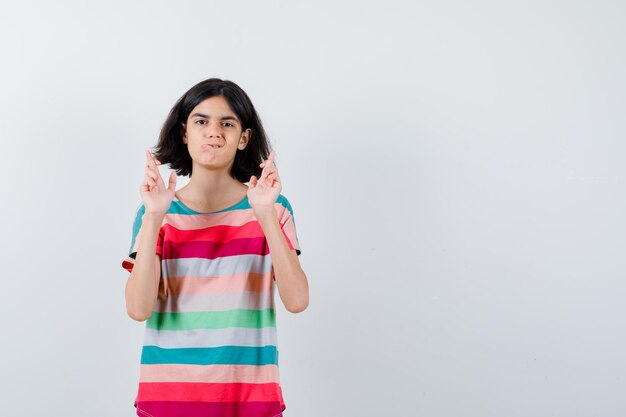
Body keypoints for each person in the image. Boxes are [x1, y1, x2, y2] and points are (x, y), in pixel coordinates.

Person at [121, 78, 309, 417]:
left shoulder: (273, 207)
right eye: (201, 121)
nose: (214, 132)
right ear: (184, 133)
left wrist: (264, 213)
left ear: (244, 138)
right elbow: (138, 309)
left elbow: (297, 301)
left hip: (250, 401)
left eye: (227, 123)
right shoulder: (156, 213)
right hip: (168, 400)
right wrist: (154, 216)